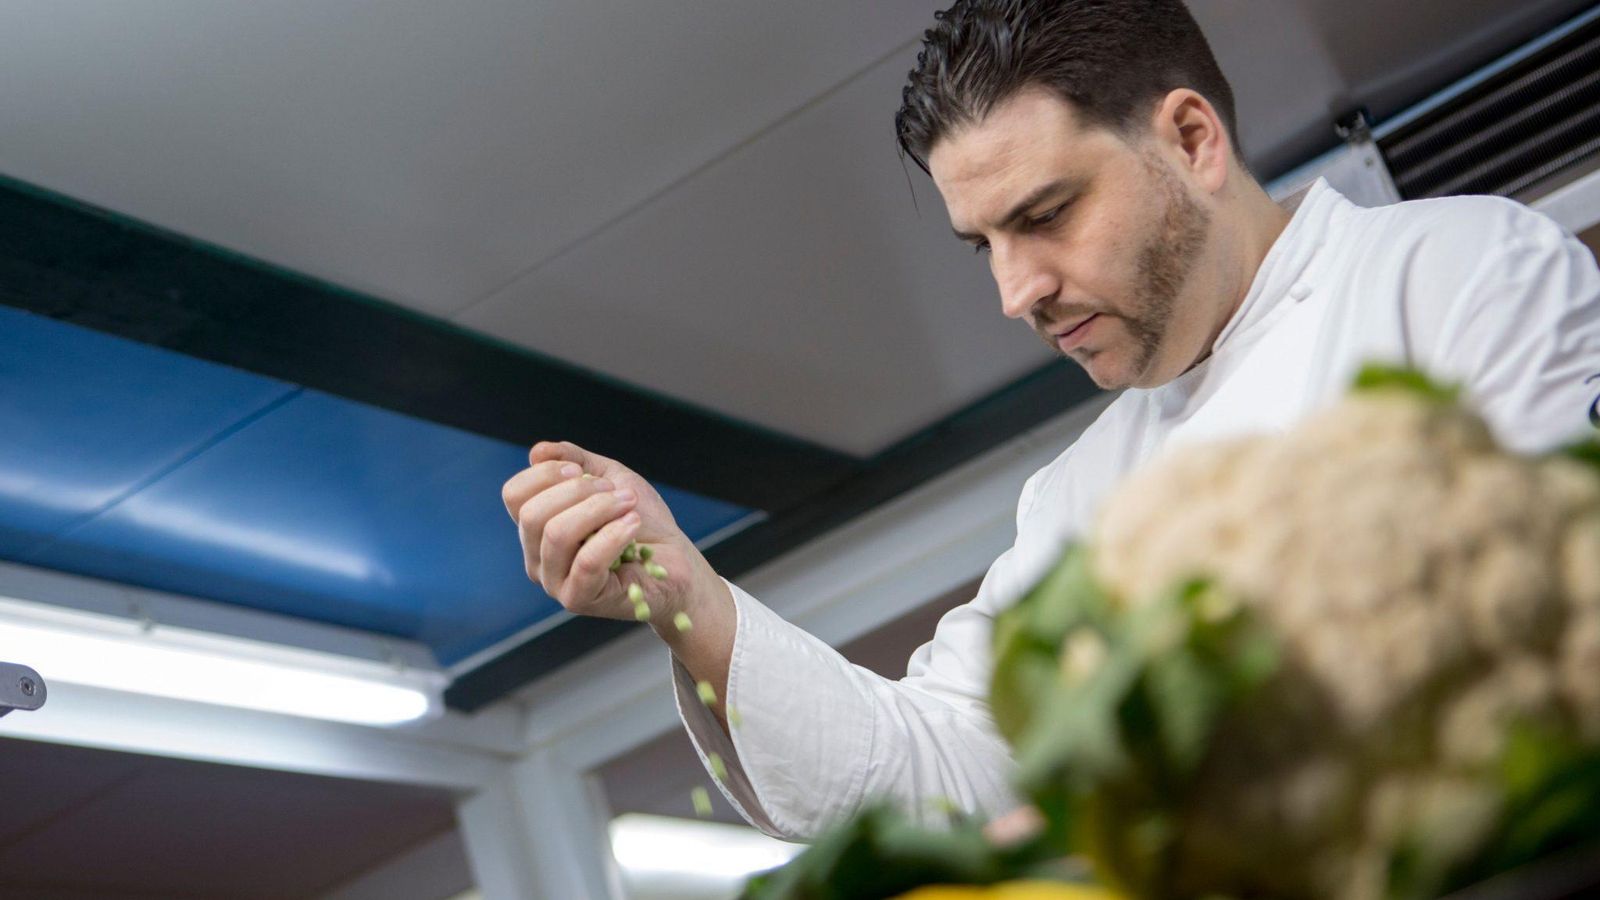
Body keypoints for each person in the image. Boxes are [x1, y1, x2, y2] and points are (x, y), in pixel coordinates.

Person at [501, 0, 1600, 840]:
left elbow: (1552, 636)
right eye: (985, 244)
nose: (1014, 293)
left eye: (1045, 215)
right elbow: (931, 772)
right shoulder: (1072, 502)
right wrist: (685, 594)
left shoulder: (1457, 271)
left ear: (1189, 138)